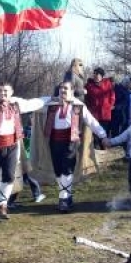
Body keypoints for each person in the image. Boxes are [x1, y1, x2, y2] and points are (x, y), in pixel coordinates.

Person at [0, 82, 48, 219]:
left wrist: (50, 98)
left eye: (6, 91)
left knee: (9, 176)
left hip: (11, 146)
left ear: (11, 93)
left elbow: (33, 103)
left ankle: (2, 205)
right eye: (0, 91)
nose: (3, 94)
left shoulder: (17, 105)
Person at [44, 81, 107, 212]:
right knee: (58, 170)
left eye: (66, 89)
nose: (63, 91)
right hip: (54, 141)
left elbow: (91, 121)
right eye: (61, 88)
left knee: (67, 168)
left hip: (70, 141)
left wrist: (102, 135)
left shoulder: (78, 105)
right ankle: (67, 195)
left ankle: (63, 199)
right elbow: (33, 104)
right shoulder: (52, 104)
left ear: (72, 91)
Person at [85, 68, 115, 139]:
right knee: (95, 133)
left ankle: (104, 147)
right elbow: (86, 98)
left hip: (105, 113)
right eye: (94, 74)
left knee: (104, 132)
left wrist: (110, 105)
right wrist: (89, 107)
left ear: (101, 75)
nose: (95, 76)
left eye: (97, 74)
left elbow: (112, 96)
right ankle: (95, 147)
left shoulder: (107, 83)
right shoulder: (89, 85)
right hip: (94, 113)